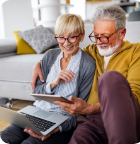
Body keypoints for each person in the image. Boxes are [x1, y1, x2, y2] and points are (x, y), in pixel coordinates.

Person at [31, 4, 140, 144]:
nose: (99, 42)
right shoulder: (91, 51)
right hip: (91, 123)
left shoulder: (137, 52)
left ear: (122, 33)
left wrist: (90, 108)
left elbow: (137, 98)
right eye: (96, 36)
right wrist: (40, 63)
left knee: (109, 78)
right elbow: (68, 50)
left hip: (127, 119)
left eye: (105, 36)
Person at [0, 14, 96, 144]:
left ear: (82, 36)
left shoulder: (87, 64)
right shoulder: (50, 56)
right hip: (35, 112)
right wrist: (53, 83)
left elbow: (80, 111)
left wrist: (58, 128)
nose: (66, 43)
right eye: (61, 37)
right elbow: (37, 95)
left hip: (62, 121)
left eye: (72, 37)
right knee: (4, 137)